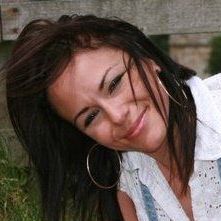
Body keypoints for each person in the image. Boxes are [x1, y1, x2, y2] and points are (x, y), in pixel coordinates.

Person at [2, 14, 221, 221]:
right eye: (91, 117)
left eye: (115, 83)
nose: (117, 115)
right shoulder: (129, 185)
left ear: (147, 59)